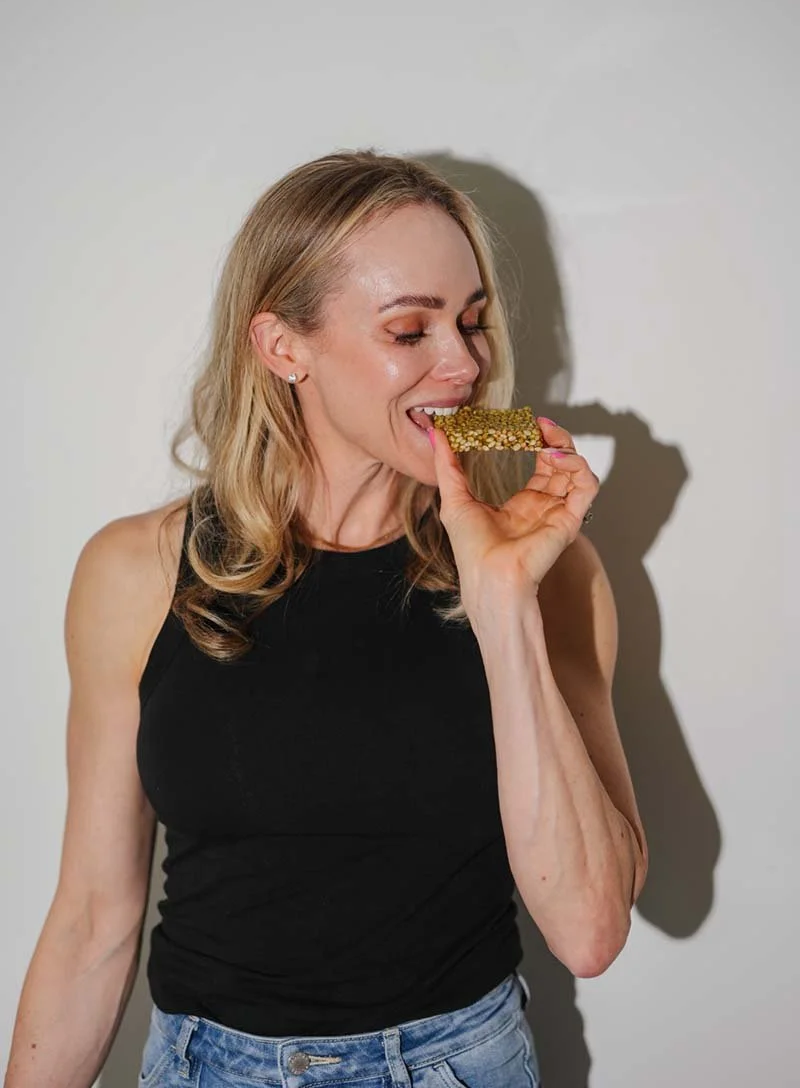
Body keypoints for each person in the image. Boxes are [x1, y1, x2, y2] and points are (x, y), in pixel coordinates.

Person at [4, 150, 648, 1088]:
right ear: (283, 347)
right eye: (409, 328)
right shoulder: (134, 572)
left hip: (456, 1068)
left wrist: (502, 603)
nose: (464, 364)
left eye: (470, 321)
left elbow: (591, 932)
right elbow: (93, 923)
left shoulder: (550, 573)